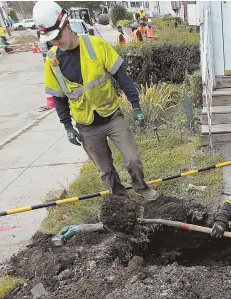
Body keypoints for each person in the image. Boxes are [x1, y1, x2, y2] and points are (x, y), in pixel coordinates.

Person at [33, 1, 159, 201]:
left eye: (57, 36)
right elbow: (59, 99)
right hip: (86, 126)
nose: (56, 42)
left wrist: (135, 106)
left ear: (66, 25)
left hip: (112, 116)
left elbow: (123, 78)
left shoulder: (96, 45)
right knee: (105, 170)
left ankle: (141, 189)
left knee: (132, 159)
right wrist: (67, 126)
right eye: (51, 39)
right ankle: (121, 201)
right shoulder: (52, 60)